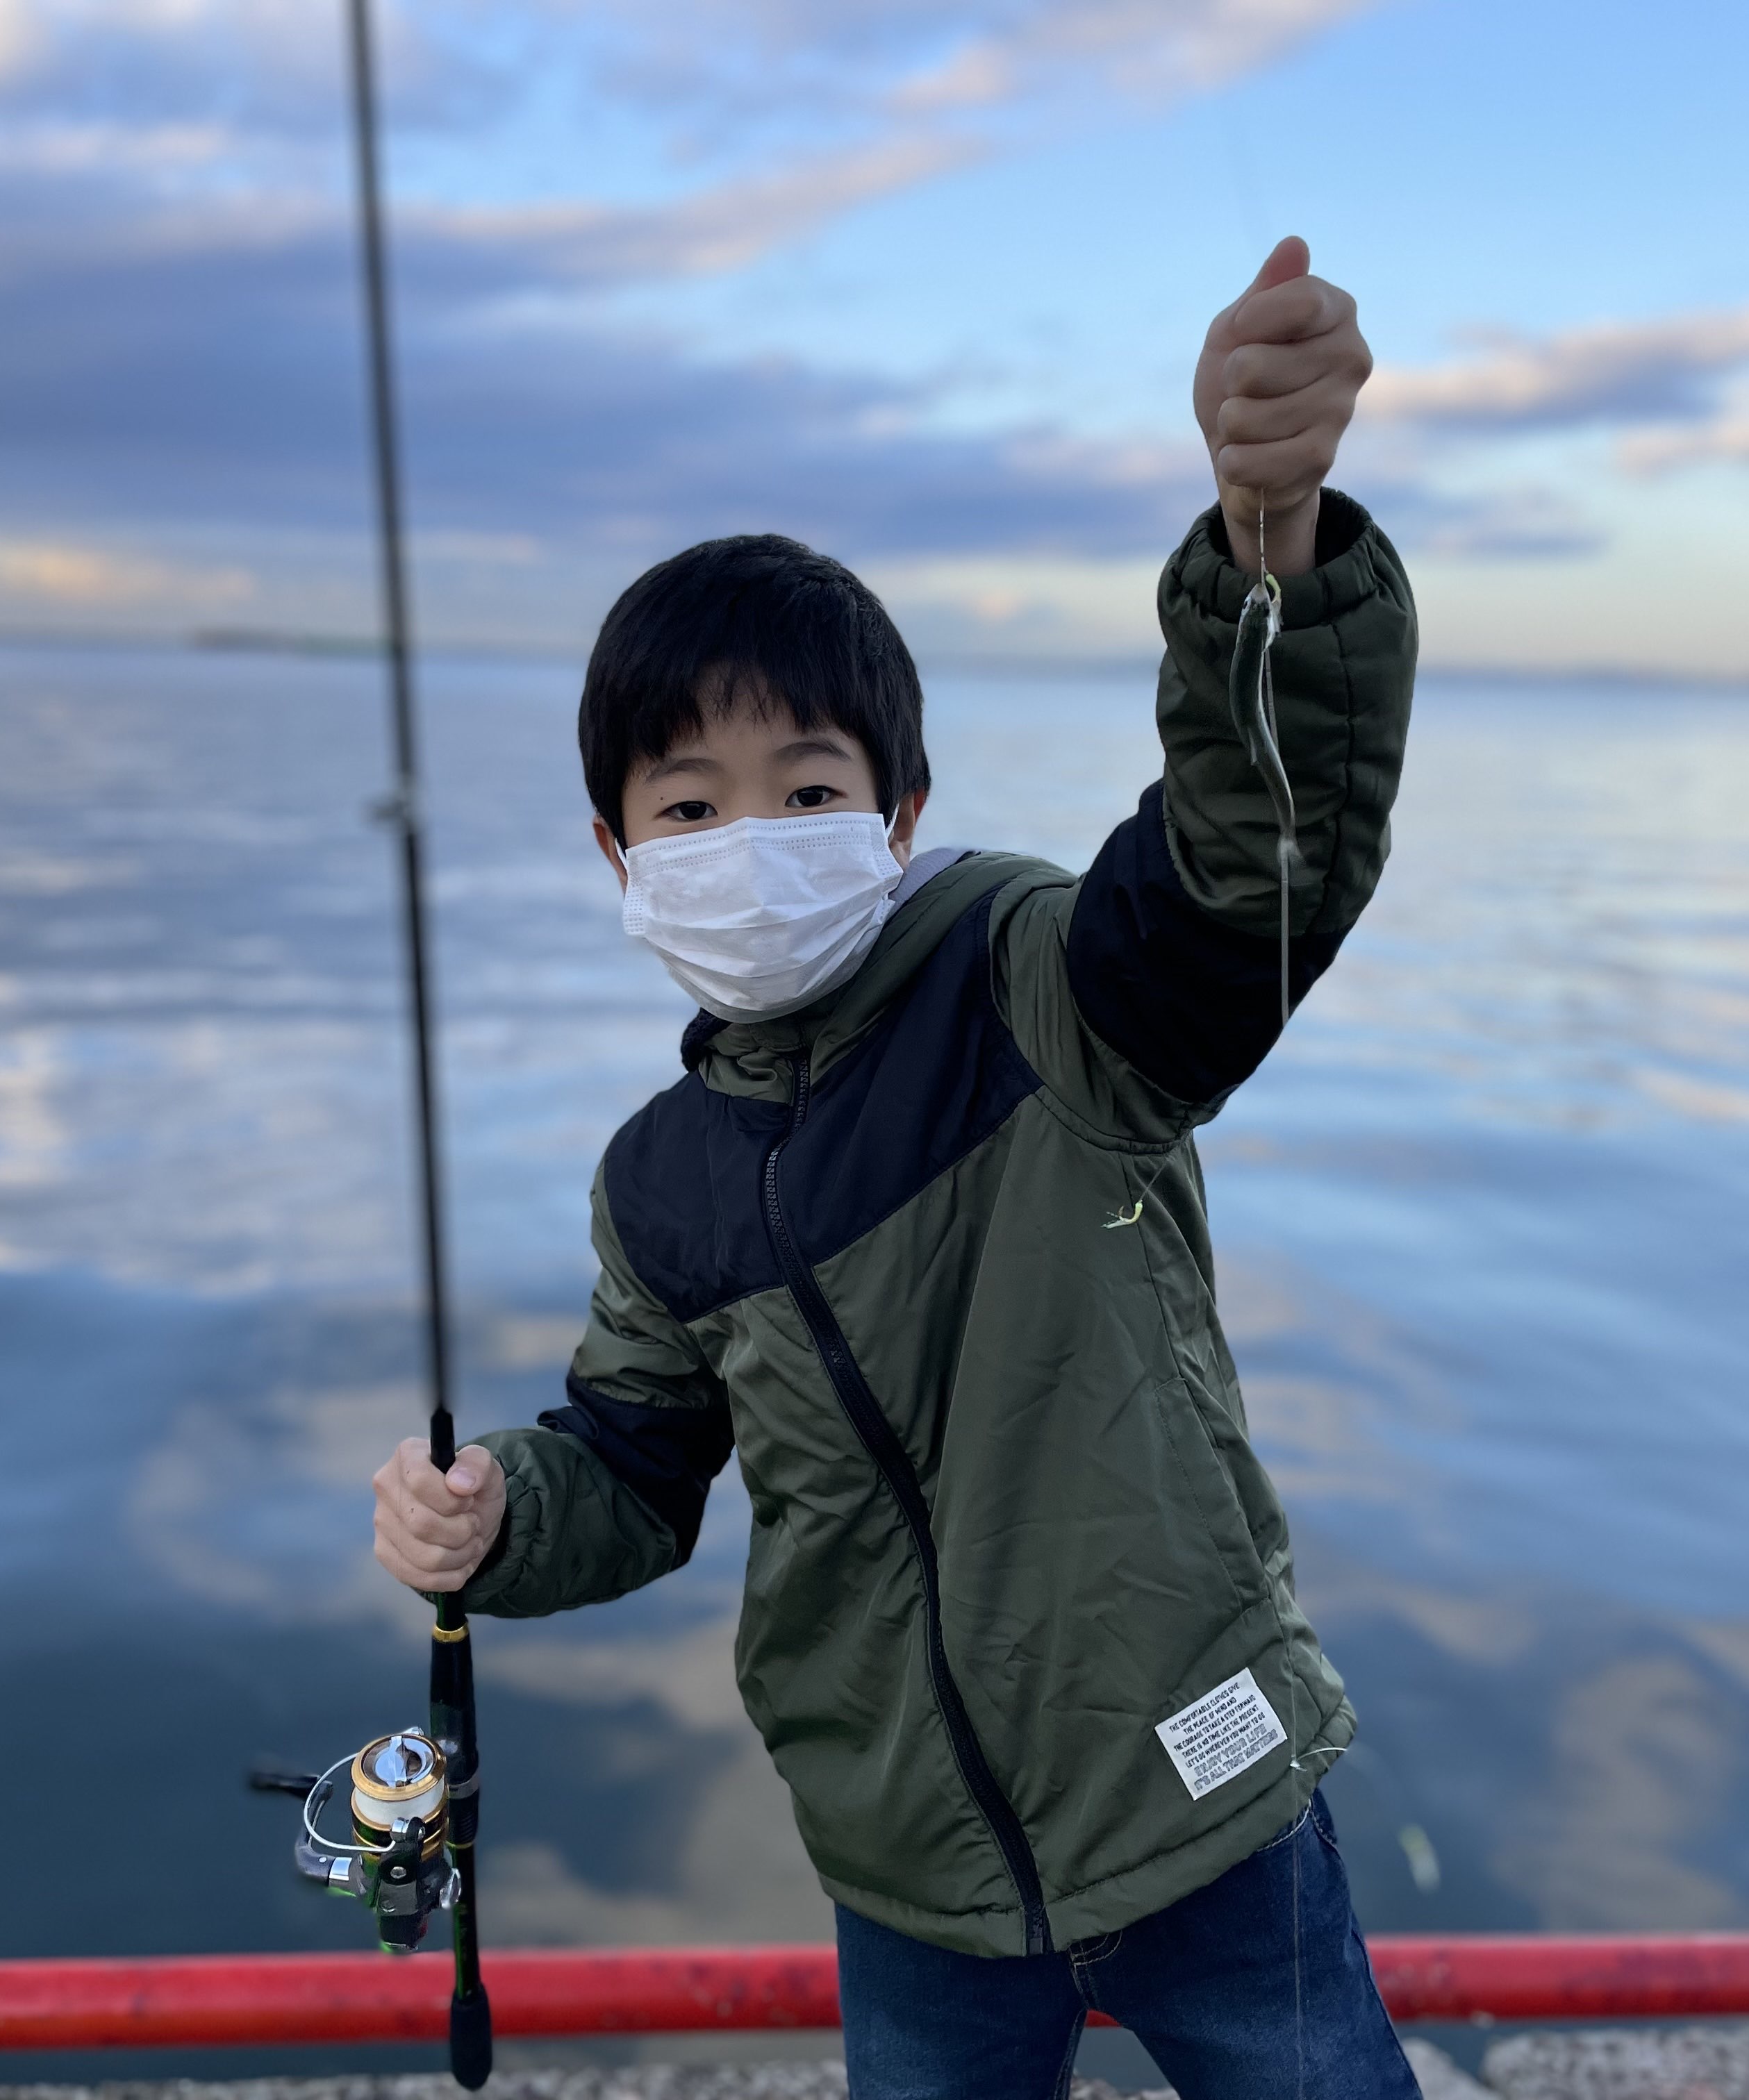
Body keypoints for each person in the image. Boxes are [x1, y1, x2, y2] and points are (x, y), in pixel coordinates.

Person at [372, 235, 1418, 2100]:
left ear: (898, 810)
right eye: (688, 805)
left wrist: (1272, 557)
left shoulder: (1038, 982)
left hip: (1198, 1779)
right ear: (618, 852)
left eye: (806, 789)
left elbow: (1252, 862)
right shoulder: (658, 1184)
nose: (746, 837)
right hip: (906, 1859)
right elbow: (635, 1469)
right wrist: (497, 1519)